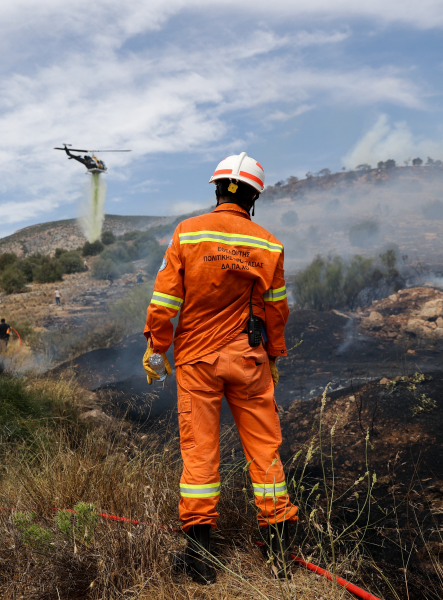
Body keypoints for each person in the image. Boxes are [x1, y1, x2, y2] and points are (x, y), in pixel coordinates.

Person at [142, 152, 295, 583]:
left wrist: (157, 350)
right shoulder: (268, 243)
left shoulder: (188, 234)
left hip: (196, 362)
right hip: (249, 361)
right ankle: (280, 554)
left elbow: (165, 302)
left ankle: (199, 560)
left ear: (216, 190)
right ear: (254, 196)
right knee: (265, 451)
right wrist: (275, 357)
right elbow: (276, 311)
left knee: (200, 456)